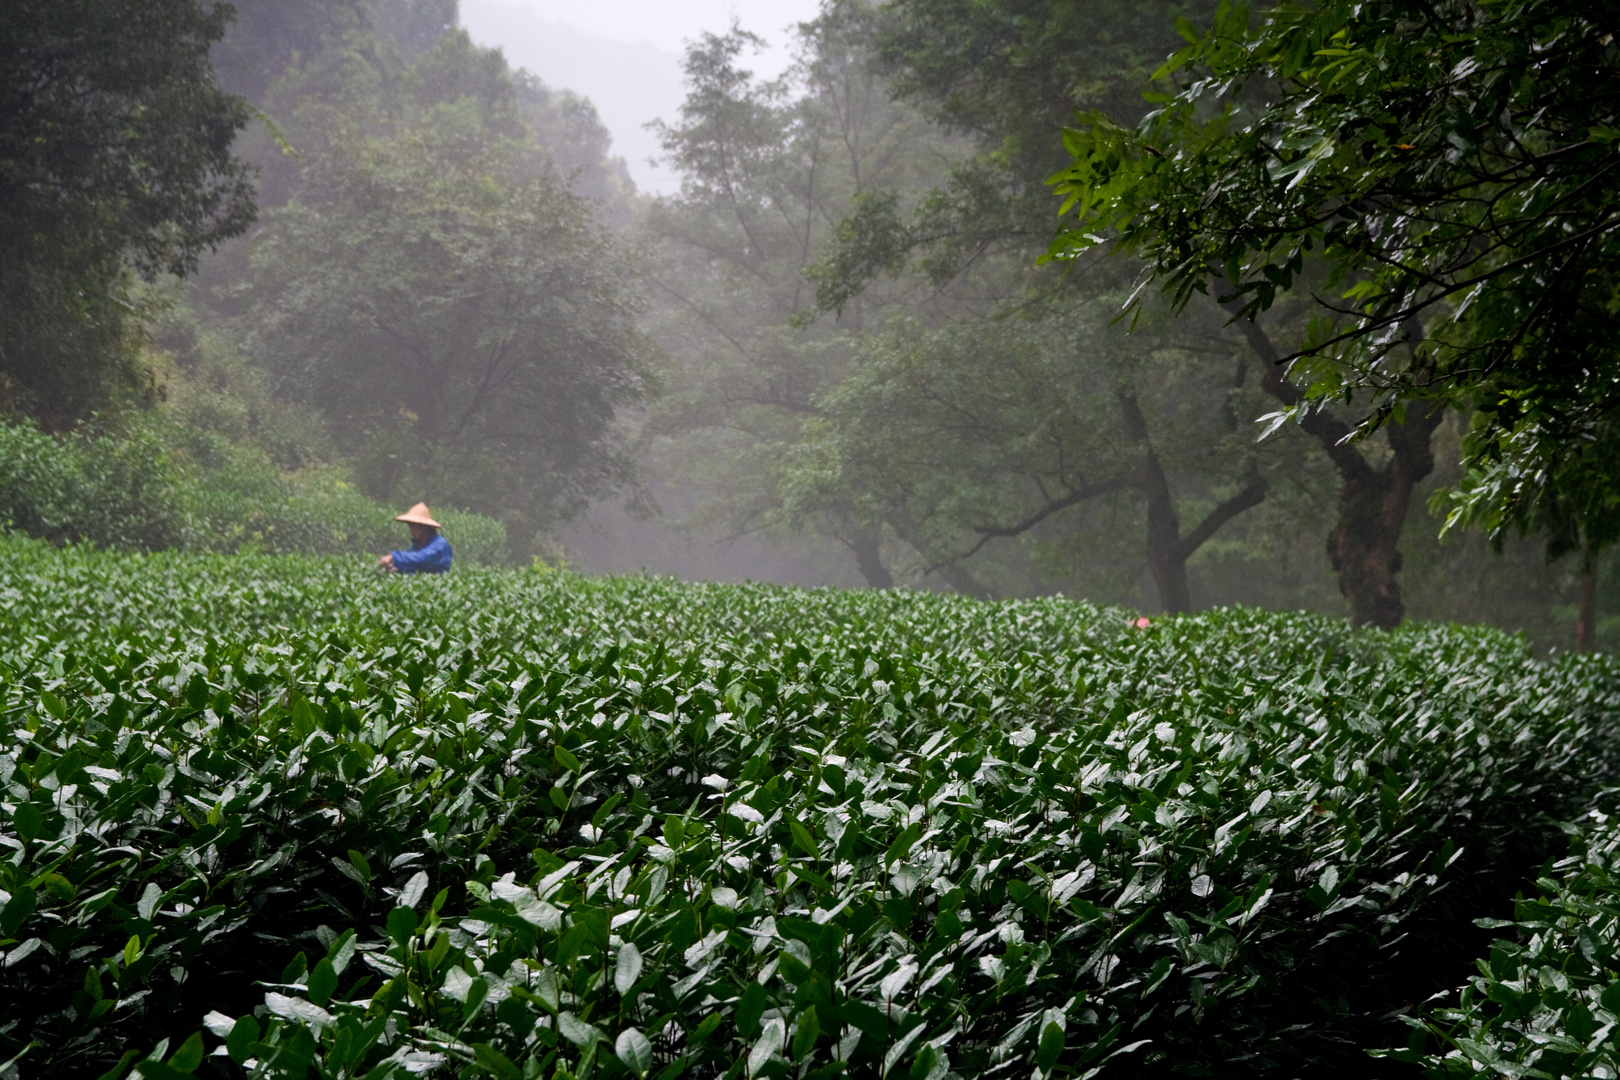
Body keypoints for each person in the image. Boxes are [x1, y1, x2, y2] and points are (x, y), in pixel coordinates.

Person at [378, 503, 452, 574]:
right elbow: (411, 566)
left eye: (415, 526)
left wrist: (394, 556)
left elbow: (421, 559)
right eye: (410, 526)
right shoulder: (416, 546)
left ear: (425, 527)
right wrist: (395, 568)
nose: (411, 530)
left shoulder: (439, 544)